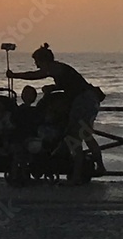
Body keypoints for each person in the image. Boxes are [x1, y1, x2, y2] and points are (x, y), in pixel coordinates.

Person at [8, 44, 105, 183]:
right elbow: (72, 85)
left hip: (83, 102)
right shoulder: (60, 69)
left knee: (75, 138)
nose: (37, 66)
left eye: (37, 62)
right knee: (86, 135)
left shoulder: (53, 68)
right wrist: (54, 87)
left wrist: (15, 75)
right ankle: (99, 167)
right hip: (90, 100)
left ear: (44, 60)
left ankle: (76, 176)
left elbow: (35, 75)